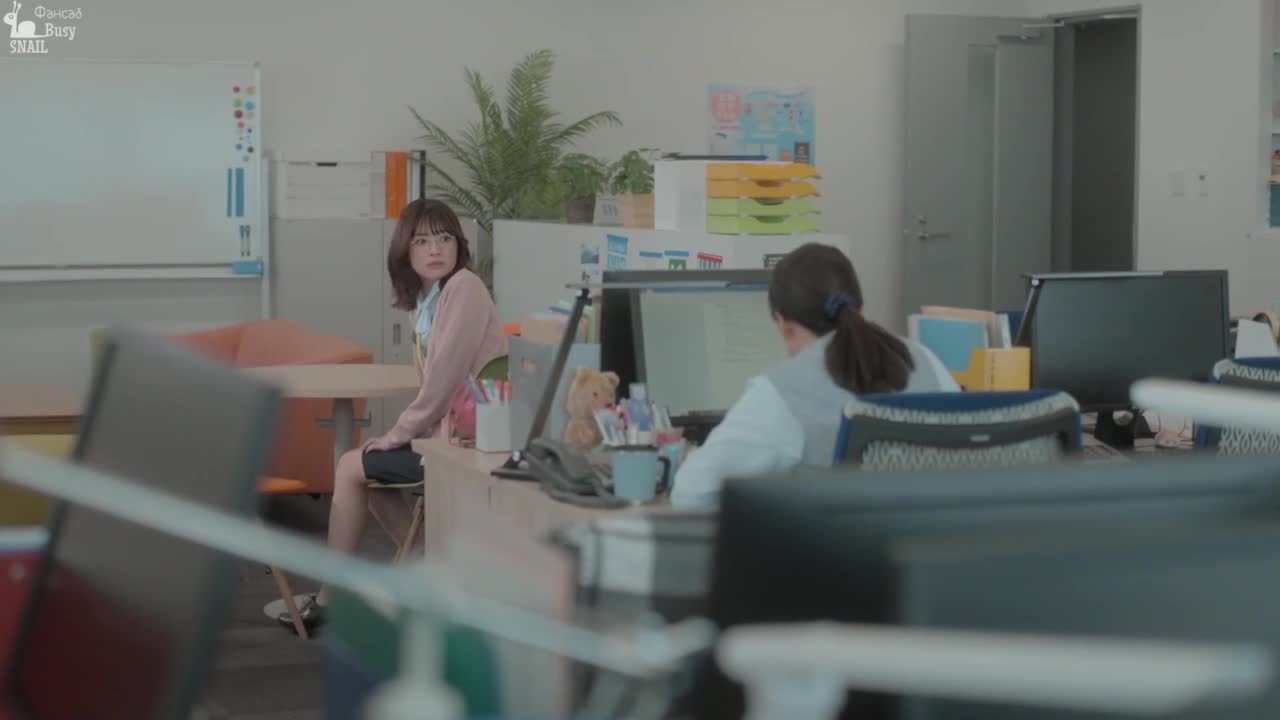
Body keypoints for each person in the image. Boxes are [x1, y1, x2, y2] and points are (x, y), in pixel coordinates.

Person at [282, 199, 506, 630]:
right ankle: (429, 562)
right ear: (405, 250)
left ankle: (335, 595)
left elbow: (441, 383)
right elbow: (435, 385)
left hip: (467, 446)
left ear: (459, 245)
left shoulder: (465, 288)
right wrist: (402, 435)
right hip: (447, 438)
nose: (435, 249)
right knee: (364, 472)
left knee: (352, 466)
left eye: (444, 238)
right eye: (422, 241)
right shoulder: (428, 301)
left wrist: (398, 434)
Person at [670, 242, 958, 509]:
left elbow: (692, 494)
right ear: (861, 310)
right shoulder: (925, 360)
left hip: (838, 547)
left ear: (784, 325)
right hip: (930, 544)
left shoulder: (782, 393)